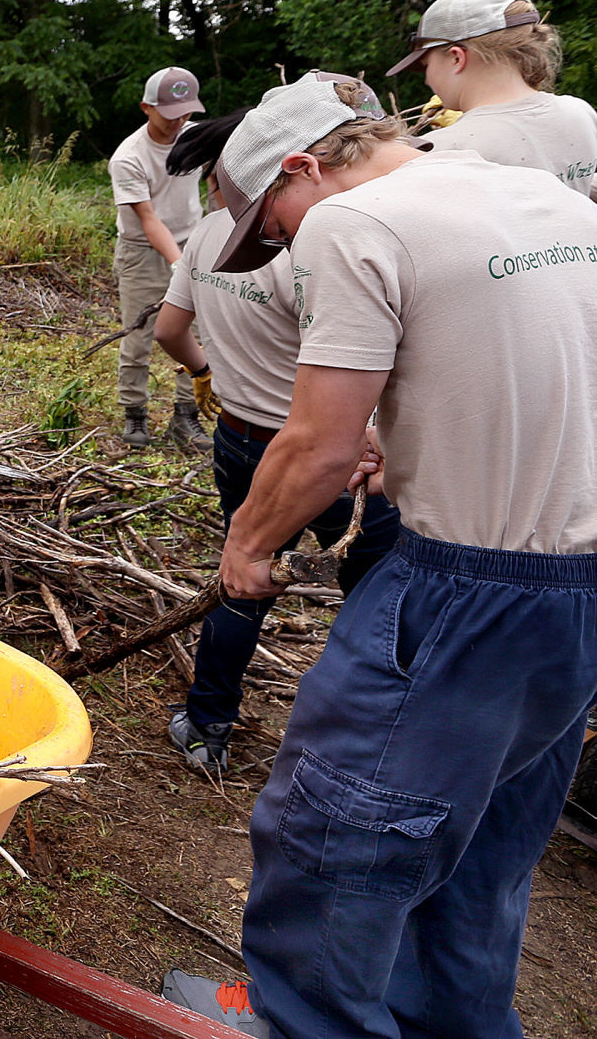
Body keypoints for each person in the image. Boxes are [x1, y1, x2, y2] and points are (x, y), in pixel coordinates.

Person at [160, 74, 597, 1037]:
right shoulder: (548, 199)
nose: (278, 246)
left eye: (270, 224)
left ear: (304, 167)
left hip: (466, 589)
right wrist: (413, 439)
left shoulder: (352, 222)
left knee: (331, 833)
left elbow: (314, 444)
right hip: (578, 596)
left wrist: (249, 541)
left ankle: (304, 1021)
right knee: (482, 849)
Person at [153, 87, 400, 776]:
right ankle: (363, 743)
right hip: (330, 451)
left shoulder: (207, 236)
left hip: (239, 437)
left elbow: (170, 329)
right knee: (379, 593)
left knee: (244, 576)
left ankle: (206, 724)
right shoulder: (323, 243)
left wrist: (207, 371)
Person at [388, 0, 597, 198]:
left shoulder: (443, 150)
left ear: (456, 58)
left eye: (426, 65)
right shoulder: (581, 113)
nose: (427, 80)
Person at [109, 67, 212, 450]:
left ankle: (186, 416)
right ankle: (134, 415)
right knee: (140, 333)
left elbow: (219, 180)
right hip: (142, 251)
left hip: (191, 240)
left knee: (195, 333)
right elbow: (148, 219)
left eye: (186, 113)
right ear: (146, 107)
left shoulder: (196, 138)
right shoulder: (129, 157)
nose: (179, 122)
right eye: (170, 114)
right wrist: (179, 265)